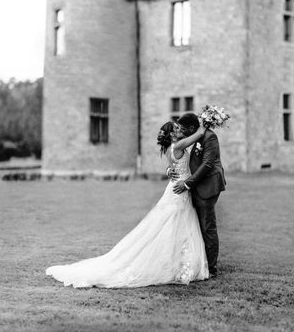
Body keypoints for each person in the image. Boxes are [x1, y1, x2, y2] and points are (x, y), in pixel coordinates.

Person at [45, 121, 209, 288]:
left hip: (175, 189)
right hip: (179, 191)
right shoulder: (180, 144)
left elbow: (172, 164)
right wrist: (207, 121)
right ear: (173, 135)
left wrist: (169, 170)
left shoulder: (170, 149)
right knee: (174, 225)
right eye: (176, 128)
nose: (180, 129)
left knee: (174, 226)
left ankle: (178, 262)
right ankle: (177, 264)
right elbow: (199, 134)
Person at [170, 112, 226, 279]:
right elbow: (180, 157)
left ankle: (212, 269)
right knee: (199, 226)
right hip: (197, 186)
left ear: (192, 128)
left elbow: (207, 164)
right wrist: (170, 170)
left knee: (208, 226)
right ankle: (203, 263)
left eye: (183, 129)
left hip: (209, 185)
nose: (180, 131)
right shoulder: (196, 136)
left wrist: (187, 183)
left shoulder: (210, 137)